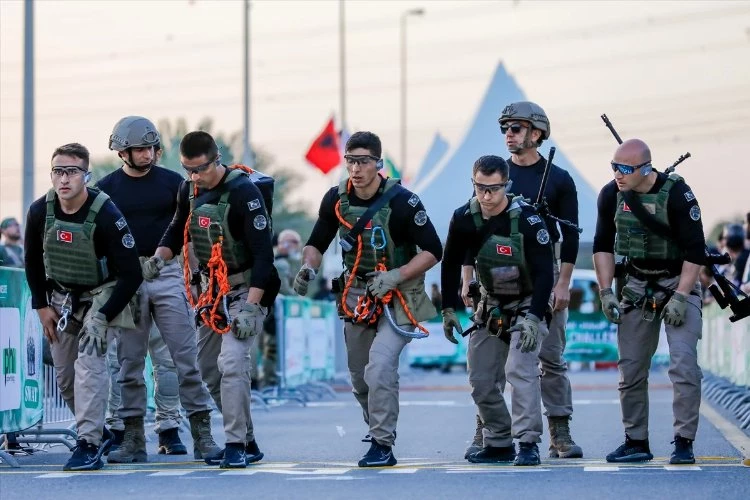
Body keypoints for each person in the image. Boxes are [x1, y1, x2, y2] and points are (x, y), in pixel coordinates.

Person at [294, 131, 443, 467]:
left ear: (378, 162)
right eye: (350, 160)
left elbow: (435, 250)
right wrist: (307, 268)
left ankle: (381, 443)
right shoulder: (335, 198)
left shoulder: (404, 201)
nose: (356, 168)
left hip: (397, 295)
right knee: (360, 379)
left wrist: (396, 275)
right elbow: (316, 241)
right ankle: (376, 426)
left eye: (363, 161)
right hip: (356, 296)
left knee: (379, 369)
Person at [148, 131, 280, 468]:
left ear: (216, 159)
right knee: (208, 369)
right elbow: (178, 229)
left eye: (201, 169)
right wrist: (159, 259)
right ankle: (248, 440)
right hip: (212, 292)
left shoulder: (244, 193)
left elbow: (265, 257)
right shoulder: (188, 189)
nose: (195, 177)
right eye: (188, 170)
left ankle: (234, 442)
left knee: (233, 362)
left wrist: (252, 307)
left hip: (249, 288)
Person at [459, 100, 580, 460]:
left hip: (546, 270)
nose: (508, 135)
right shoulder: (493, 175)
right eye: (505, 129)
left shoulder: (558, 179)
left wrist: (563, 283)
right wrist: (467, 278)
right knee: (490, 359)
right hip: (495, 273)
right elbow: (471, 229)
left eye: (516, 128)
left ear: (537, 133)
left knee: (550, 356)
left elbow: (570, 236)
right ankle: (488, 429)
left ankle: (560, 431)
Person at [97, 117, 220, 462]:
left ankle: (203, 437)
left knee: (185, 358)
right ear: (122, 151)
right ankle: (133, 441)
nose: (147, 154)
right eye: (139, 148)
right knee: (129, 364)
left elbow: (191, 233)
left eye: (151, 147)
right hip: (128, 278)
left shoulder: (174, 183)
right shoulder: (107, 189)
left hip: (168, 273)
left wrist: (197, 278)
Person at [23, 143, 143, 470]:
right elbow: (32, 260)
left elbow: (131, 274)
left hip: (102, 296)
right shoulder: (39, 211)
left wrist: (103, 317)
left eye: (72, 172)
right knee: (65, 377)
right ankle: (99, 431)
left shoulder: (106, 213)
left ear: (86, 176)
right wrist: (41, 305)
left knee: (89, 366)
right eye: (58, 171)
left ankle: (87, 442)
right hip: (61, 299)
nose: (64, 179)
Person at [593, 138, 706, 465]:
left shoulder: (678, 195)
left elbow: (695, 250)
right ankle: (635, 441)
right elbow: (603, 244)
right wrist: (605, 291)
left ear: (646, 169)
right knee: (630, 369)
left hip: (677, 281)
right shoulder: (611, 194)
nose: (618, 174)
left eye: (625, 168)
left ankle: (684, 441)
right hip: (637, 283)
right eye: (614, 166)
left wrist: (682, 296)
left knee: (683, 365)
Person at [442, 155, 554, 466]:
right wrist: (447, 308)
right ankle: (499, 440)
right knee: (480, 378)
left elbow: (546, 272)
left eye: (493, 189)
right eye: (480, 188)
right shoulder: (463, 217)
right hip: (490, 305)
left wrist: (534, 318)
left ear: (506, 185)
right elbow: (450, 262)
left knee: (519, 369)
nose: (487, 196)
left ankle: (528, 441)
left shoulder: (528, 220)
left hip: (528, 303)